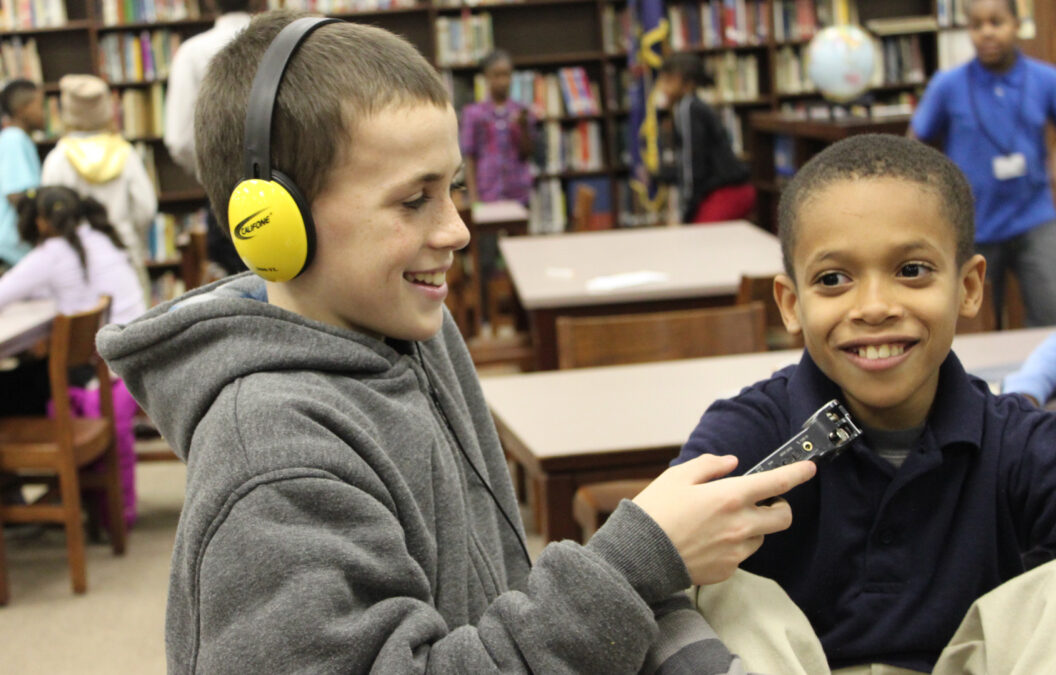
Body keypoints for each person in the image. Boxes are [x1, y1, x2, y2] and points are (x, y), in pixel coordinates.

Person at [97, 10, 818, 672]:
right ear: (271, 223)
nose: (456, 230)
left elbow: (484, 600)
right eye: (415, 199)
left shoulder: (413, 330)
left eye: (454, 189)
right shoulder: (270, 458)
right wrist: (630, 566)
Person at [673, 133, 1056, 673]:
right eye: (833, 280)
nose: (874, 307)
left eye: (912, 271)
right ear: (791, 303)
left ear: (968, 287)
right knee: (707, 587)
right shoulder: (751, 431)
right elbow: (651, 566)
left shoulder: (1017, 443)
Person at [0, 185, 145, 529]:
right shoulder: (100, 240)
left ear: (42, 222)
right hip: (123, 366)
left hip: (90, 375)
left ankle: (4, 501)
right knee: (22, 375)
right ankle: (38, 493)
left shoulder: (53, 254)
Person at [910, 0, 1056, 327]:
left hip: (1036, 219)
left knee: (1051, 313)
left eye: (996, 22)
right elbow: (915, 142)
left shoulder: (1046, 79)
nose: (987, 32)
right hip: (975, 225)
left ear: (1017, 25)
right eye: (976, 25)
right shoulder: (947, 85)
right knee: (977, 321)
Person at [42, 74, 158, 301]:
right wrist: (131, 234)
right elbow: (146, 208)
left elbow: (49, 215)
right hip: (124, 252)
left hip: (76, 261)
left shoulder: (58, 159)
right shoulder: (126, 154)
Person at [164, 0, 252, 275]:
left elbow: (179, 140)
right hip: (296, 187)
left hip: (227, 194)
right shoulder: (284, 39)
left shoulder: (192, 52)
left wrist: (212, 172)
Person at [656, 53, 754, 224]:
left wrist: (688, 208)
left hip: (725, 193)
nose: (663, 87)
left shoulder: (686, 108)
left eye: (668, 80)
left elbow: (691, 162)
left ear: (687, 83)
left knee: (699, 242)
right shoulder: (692, 106)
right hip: (730, 191)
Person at [459, 49, 538, 206]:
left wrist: (522, 127)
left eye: (507, 75)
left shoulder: (521, 111)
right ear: (486, 77)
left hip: (518, 193)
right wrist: (473, 196)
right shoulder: (473, 113)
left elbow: (528, 153)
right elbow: (469, 157)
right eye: (497, 75)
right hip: (487, 193)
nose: (503, 81)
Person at [0, 79, 44, 265]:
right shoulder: (13, 140)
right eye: (40, 106)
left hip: (15, 247)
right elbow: (18, 196)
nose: (44, 113)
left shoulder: (19, 140)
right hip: (10, 248)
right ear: (22, 109)